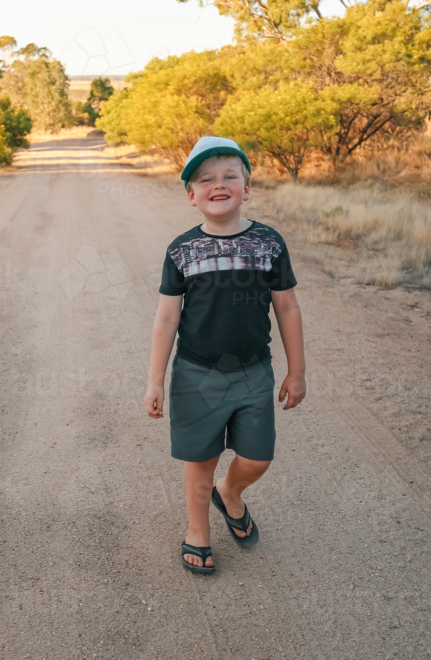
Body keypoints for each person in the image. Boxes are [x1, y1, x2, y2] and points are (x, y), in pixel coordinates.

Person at [143, 136, 306, 574]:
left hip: (254, 372)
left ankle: (230, 493)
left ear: (247, 188)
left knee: (257, 458)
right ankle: (198, 532)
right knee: (200, 459)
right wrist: (155, 380)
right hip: (197, 375)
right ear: (191, 196)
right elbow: (166, 320)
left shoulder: (268, 243)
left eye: (230, 176)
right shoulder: (182, 251)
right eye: (205, 179)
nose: (219, 184)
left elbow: (287, 307)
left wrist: (297, 372)